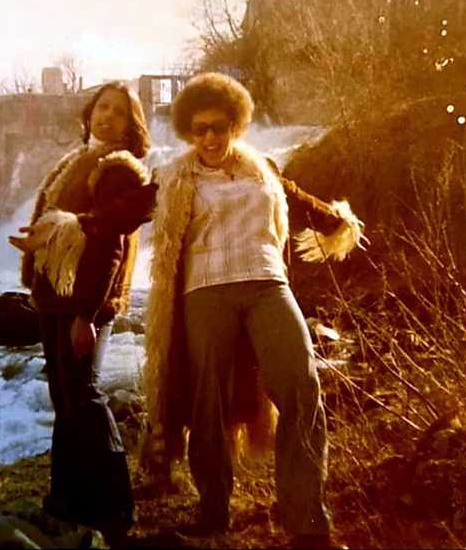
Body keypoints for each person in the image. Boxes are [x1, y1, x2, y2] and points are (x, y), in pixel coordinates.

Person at [143, 72, 365, 548]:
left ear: (236, 124)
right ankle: (213, 508)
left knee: (302, 388)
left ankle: (307, 520)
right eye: (199, 128)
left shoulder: (260, 167)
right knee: (208, 403)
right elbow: (120, 212)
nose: (210, 138)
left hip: (268, 284)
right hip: (205, 291)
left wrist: (339, 221)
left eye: (219, 127)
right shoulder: (174, 176)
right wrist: (69, 228)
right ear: (187, 130)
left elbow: (300, 199)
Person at [9, 81, 157, 546]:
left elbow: (109, 247)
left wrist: (87, 315)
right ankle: (67, 501)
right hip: (56, 299)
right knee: (66, 401)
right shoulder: (77, 161)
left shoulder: (117, 169)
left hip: (82, 304)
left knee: (85, 397)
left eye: (118, 112)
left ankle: (115, 509)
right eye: (101, 107)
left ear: (132, 125)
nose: (105, 116)